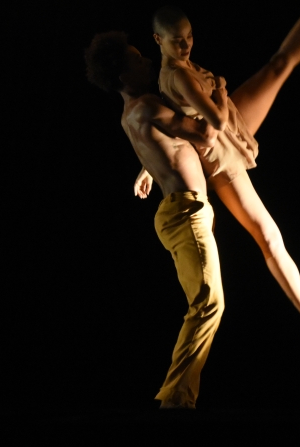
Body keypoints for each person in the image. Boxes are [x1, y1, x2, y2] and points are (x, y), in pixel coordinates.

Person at [137, 0, 300, 360]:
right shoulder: (177, 74)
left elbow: (166, 122)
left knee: (279, 65)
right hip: (221, 156)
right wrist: (219, 91)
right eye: (177, 40)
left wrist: (146, 165)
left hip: (230, 125)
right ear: (158, 40)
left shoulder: (173, 70)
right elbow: (211, 120)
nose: (187, 44)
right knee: (267, 236)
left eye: (189, 36)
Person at [85, 31, 230, 409]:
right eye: (137, 59)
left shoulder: (130, 114)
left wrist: (147, 169)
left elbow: (161, 145)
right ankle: (175, 400)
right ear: (123, 75)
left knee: (206, 303)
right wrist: (220, 94)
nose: (148, 61)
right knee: (209, 304)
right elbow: (206, 133)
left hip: (180, 211)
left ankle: (178, 397)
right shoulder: (148, 106)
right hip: (185, 211)